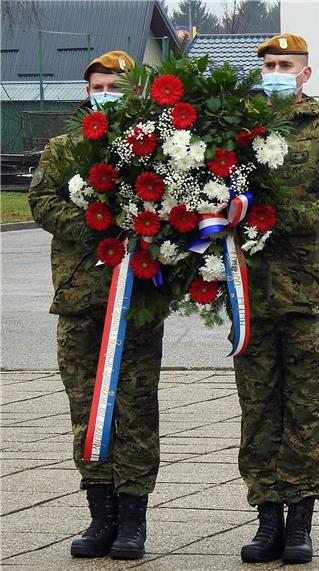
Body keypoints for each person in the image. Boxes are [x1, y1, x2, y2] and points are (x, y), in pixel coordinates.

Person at [28, 51, 164, 561]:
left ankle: (132, 520)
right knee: (87, 409)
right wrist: (98, 222)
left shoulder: (153, 153)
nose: (102, 94)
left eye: (113, 87)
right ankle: (99, 516)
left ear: (133, 94)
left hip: (136, 300)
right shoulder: (64, 149)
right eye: (96, 86)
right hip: (81, 298)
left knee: (134, 408)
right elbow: (42, 203)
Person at [235, 33, 319, 565]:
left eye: (285, 64)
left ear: (306, 73)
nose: (275, 70)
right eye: (268, 63)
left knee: (307, 412)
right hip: (252, 295)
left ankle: (301, 523)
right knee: (258, 411)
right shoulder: (237, 133)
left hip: (309, 294)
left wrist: (278, 218)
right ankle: (267, 519)